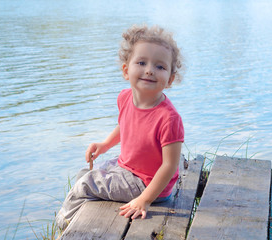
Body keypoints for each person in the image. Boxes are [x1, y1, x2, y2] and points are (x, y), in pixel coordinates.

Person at [55, 24, 184, 230]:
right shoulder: (125, 97)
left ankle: (64, 226)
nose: (149, 70)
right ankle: (80, 217)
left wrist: (145, 199)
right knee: (83, 174)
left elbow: (169, 167)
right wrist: (105, 144)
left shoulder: (169, 118)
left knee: (87, 183)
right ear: (126, 70)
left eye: (160, 66)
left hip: (148, 185)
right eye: (142, 62)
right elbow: (126, 126)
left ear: (169, 79)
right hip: (128, 167)